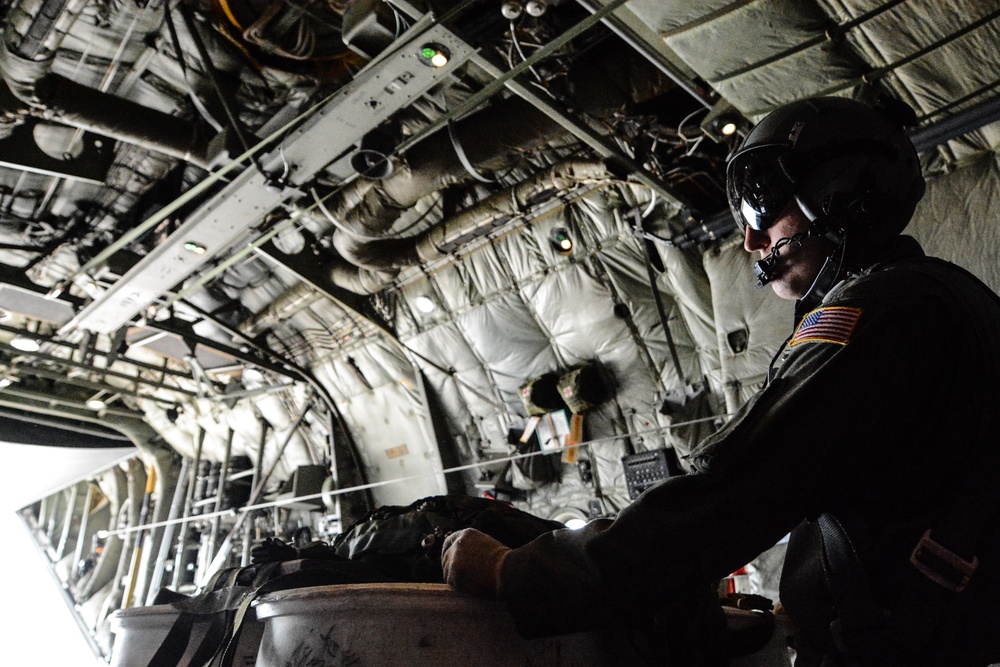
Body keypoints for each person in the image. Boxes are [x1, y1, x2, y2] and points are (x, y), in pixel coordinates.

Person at [440, 96, 1000, 666]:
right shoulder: (950, 297)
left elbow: (738, 490)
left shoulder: (871, 318)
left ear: (838, 197)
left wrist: (519, 573)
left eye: (764, 211)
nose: (754, 242)